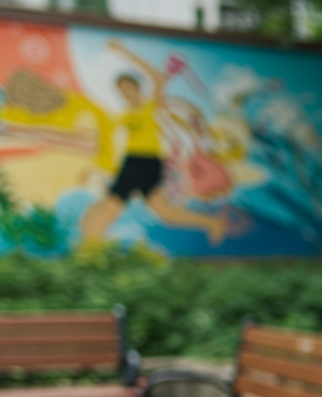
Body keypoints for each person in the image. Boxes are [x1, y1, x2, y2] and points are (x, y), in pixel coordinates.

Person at [79, 40, 227, 246]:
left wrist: (124, 52)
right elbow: (103, 139)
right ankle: (212, 222)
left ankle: (90, 245)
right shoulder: (124, 115)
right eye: (121, 90)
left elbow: (156, 76)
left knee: (112, 204)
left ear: (138, 88)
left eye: (129, 87)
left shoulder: (150, 107)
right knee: (163, 212)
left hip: (146, 161)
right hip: (133, 161)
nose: (126, 93)